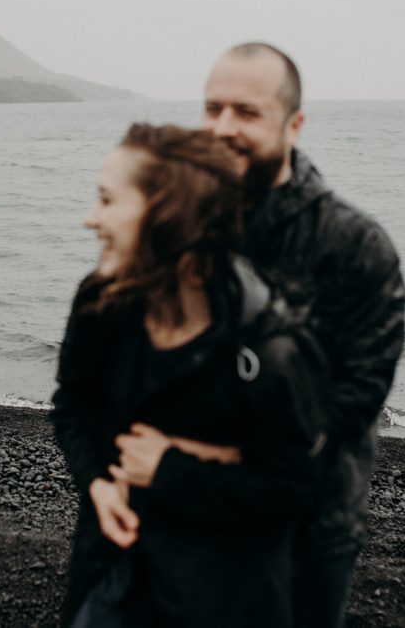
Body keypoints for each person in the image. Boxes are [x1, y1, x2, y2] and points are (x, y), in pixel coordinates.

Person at [113, 43, 405, 626]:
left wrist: (197, 458)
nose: (222, 127)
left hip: (304, 530)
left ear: (294, 125)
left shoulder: (354, 246)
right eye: (212, 108)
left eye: (246, 112)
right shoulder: (181, 228)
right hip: (179, 512)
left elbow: (348, 408)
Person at [51, 123, 332, 627]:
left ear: (169, 218)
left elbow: (297, 490)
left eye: (108, 200)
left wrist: (170, 469)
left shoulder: (270, 343)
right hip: (114, 571)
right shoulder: (101, 301)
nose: (90, 218)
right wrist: (98, 485)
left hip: (223, 591)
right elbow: (74, 404)